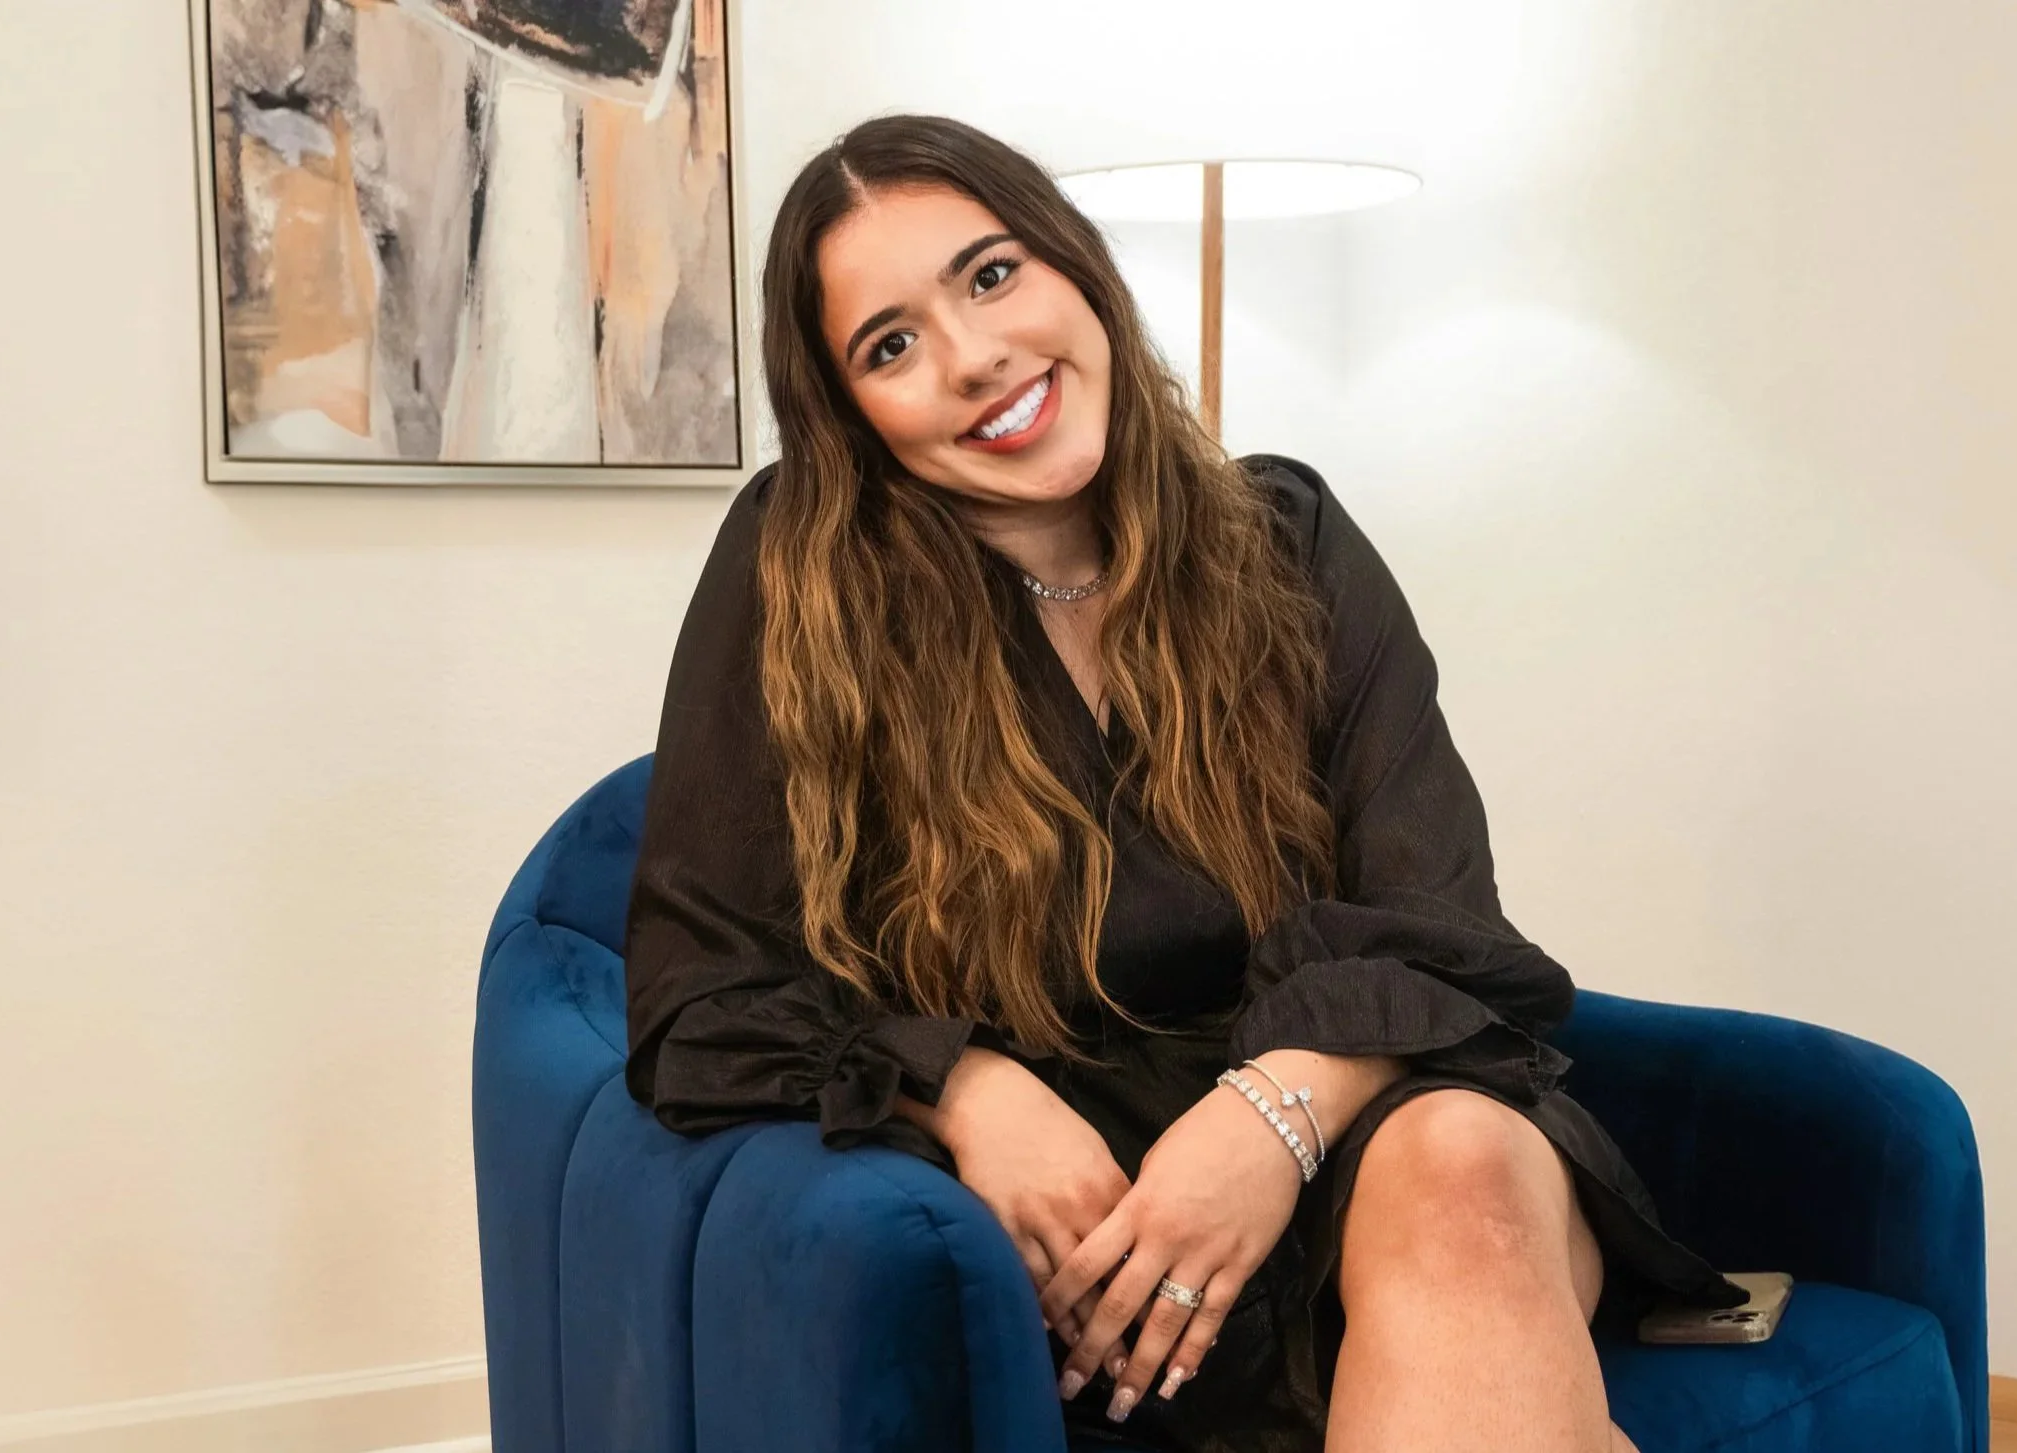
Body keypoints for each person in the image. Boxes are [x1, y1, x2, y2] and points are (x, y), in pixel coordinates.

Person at [622, 113, 1744, 1453]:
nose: (975, 356)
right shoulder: (795, 580)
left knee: (1463, 1158)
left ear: (1075, 264)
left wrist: (1271, 1125)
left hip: (1361, 1140)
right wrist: (969, 1092)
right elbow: (700, 993)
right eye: (892, 343)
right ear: (852, 414)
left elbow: (1440, 922)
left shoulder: (1290, 538)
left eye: (991, 275)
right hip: (1102, 1242)